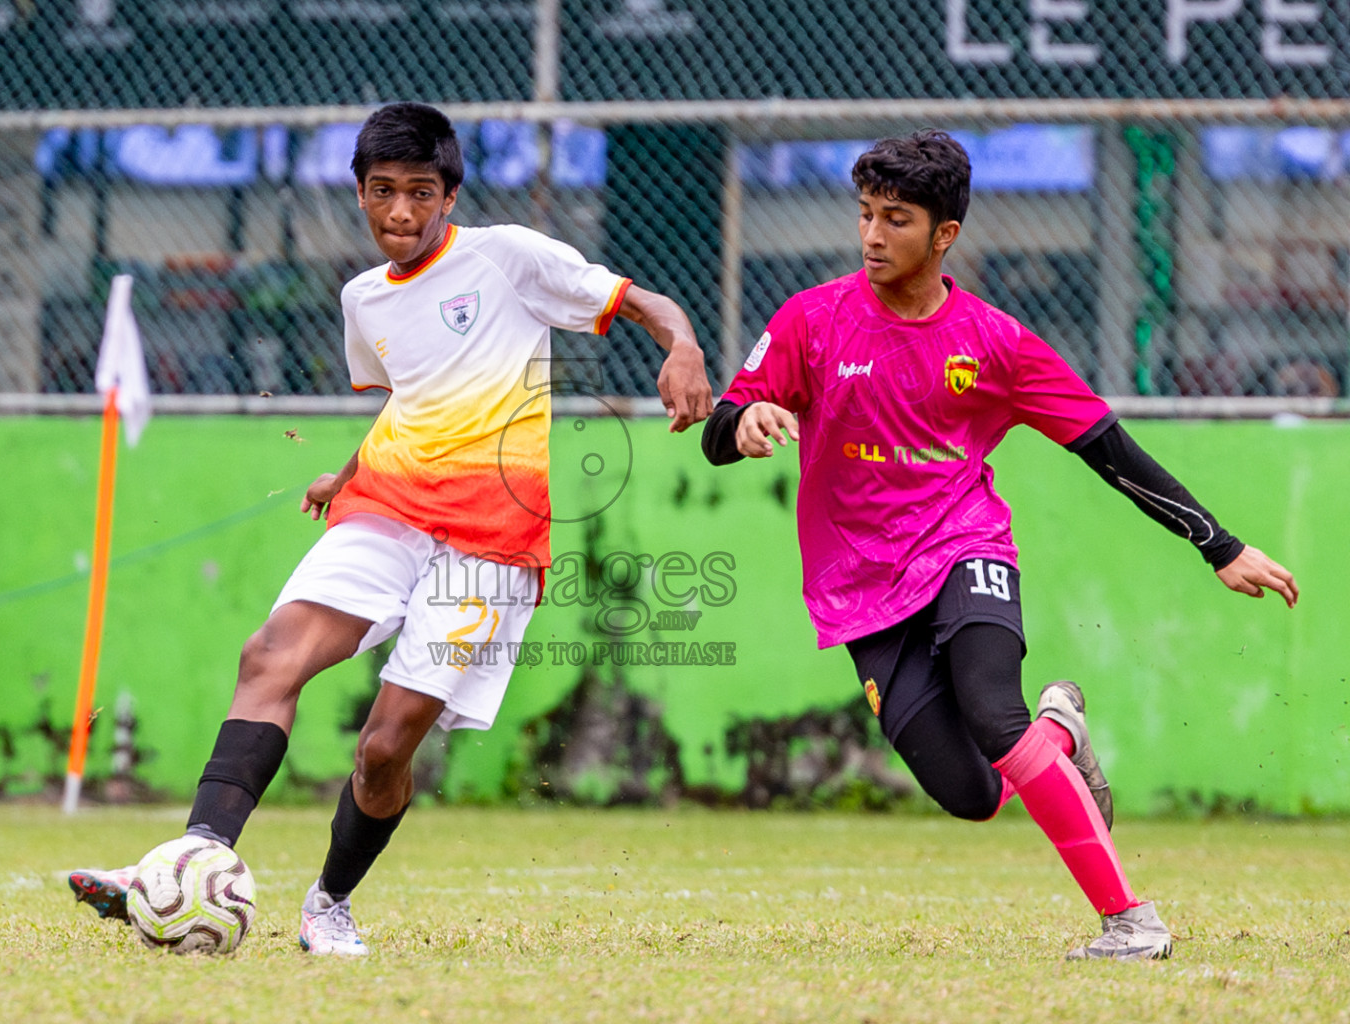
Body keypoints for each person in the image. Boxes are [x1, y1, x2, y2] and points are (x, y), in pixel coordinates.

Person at [69, 101, 714, 955]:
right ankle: (191, 861)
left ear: (450, 194)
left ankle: (328, 903)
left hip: (490, 541)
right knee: (269, 657)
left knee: (384, 747)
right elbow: (415, 399)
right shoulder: (362, 298)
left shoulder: (508, 257)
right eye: (382, 192)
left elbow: (647, 302)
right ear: (360, 196)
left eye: (419, 192)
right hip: (388, 507)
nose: (400, 213)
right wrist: (345, 473)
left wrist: (686, 347)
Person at [700, 129, 1299, 961]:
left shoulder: (997, 344)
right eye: (867, 214)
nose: (873, 235)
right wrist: (748, 419)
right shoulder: (813, 319)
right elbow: (720, 429)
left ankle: (1130, 921)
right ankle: (1063, 730)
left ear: (945, 235)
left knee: (992, 708)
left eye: (897, 219)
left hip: (963, 545)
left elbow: (1109, 451)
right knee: (972, 795)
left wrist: (1219, 545)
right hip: (859, 587)